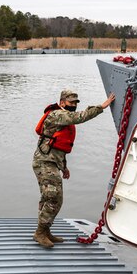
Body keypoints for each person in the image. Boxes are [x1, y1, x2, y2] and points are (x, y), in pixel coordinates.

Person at [32, 89, 115, 248]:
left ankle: (45, 230)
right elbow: (80, 117)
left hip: (52, 162)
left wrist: (64, 167)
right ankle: (40, 233)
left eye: (76, 103)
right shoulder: (57, 115)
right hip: (44, 162)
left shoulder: (64, 118)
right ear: (62, 103)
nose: (74, 105)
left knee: (52, 198)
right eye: (71, 103)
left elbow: (58, 147)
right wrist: (102, 106)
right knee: (53, 196)